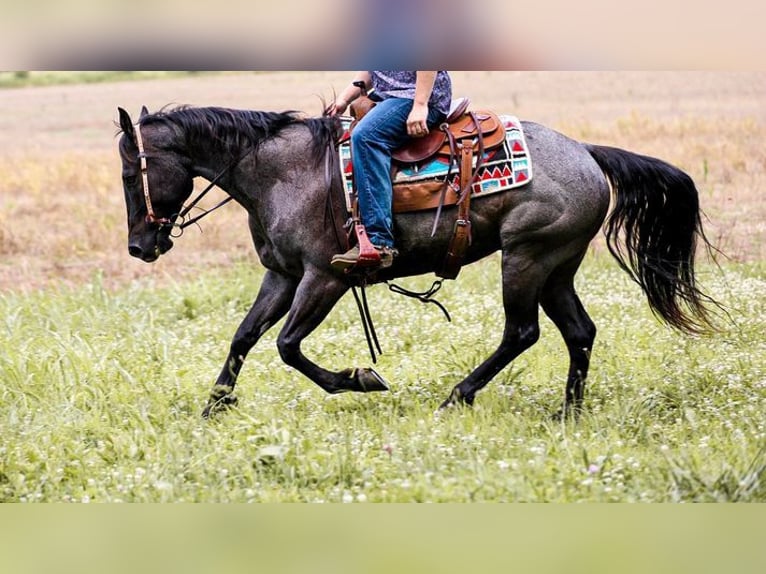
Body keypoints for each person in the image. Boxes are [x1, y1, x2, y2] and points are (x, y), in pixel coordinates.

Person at [327, 71, 452, 270]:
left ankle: (379, 242)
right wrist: (343, 99)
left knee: (367, 137)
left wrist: (420, 106)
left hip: (417, 97)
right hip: (389, 96)